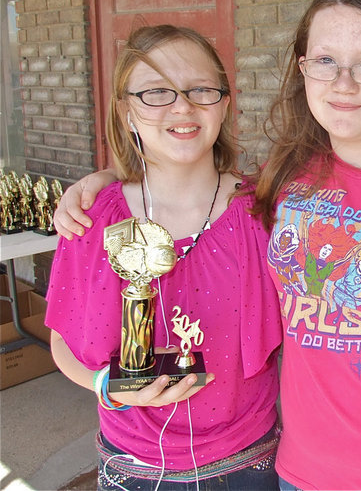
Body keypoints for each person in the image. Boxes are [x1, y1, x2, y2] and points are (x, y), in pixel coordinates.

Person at [54, 0, 361, 490]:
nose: (343, 83)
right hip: (293, 473)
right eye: (324, 61)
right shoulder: (289, 179)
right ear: (304, 72)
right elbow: (178, 178)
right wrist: (103, 185)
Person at [45, 24, 282, 490]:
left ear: (224, 103)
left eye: (200, 89)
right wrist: (104, 387)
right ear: (125, 110)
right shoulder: (92, 220)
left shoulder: (265, 215)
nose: (182, 106)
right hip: (131, 467)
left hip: (249, 464)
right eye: (156, 92)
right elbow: (63, 341)